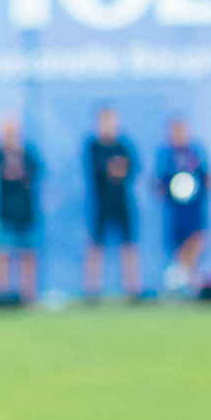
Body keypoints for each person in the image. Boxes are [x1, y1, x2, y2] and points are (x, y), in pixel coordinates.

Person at [83, 106, 141, 299]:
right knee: (96, 246)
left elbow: (132, 168)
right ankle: (92, 290)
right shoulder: (94, 146)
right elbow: (102, 169)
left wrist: (116, 168)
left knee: (129, 245)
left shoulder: (123, 146)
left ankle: (132, 290)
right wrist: (115, 168)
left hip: (122, 202)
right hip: (101, 203)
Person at [0, 116, 42, 301]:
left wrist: (18, 153)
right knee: (1, 253)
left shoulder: (28, 154)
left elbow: (34, 173)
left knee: (28, 254)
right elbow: (1, 175)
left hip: (25, 212)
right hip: (4, 212)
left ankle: (29, 295)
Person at [155, 116, 211, 293]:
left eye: (182, 130)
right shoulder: (166, 155)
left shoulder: (196, 152)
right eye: (175, 131)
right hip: (176, 209)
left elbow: (207, 175)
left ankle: (181, 278)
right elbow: (159, 181)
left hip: (195, 207)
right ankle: (184, 282)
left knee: (197, 240)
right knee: (178, 245)